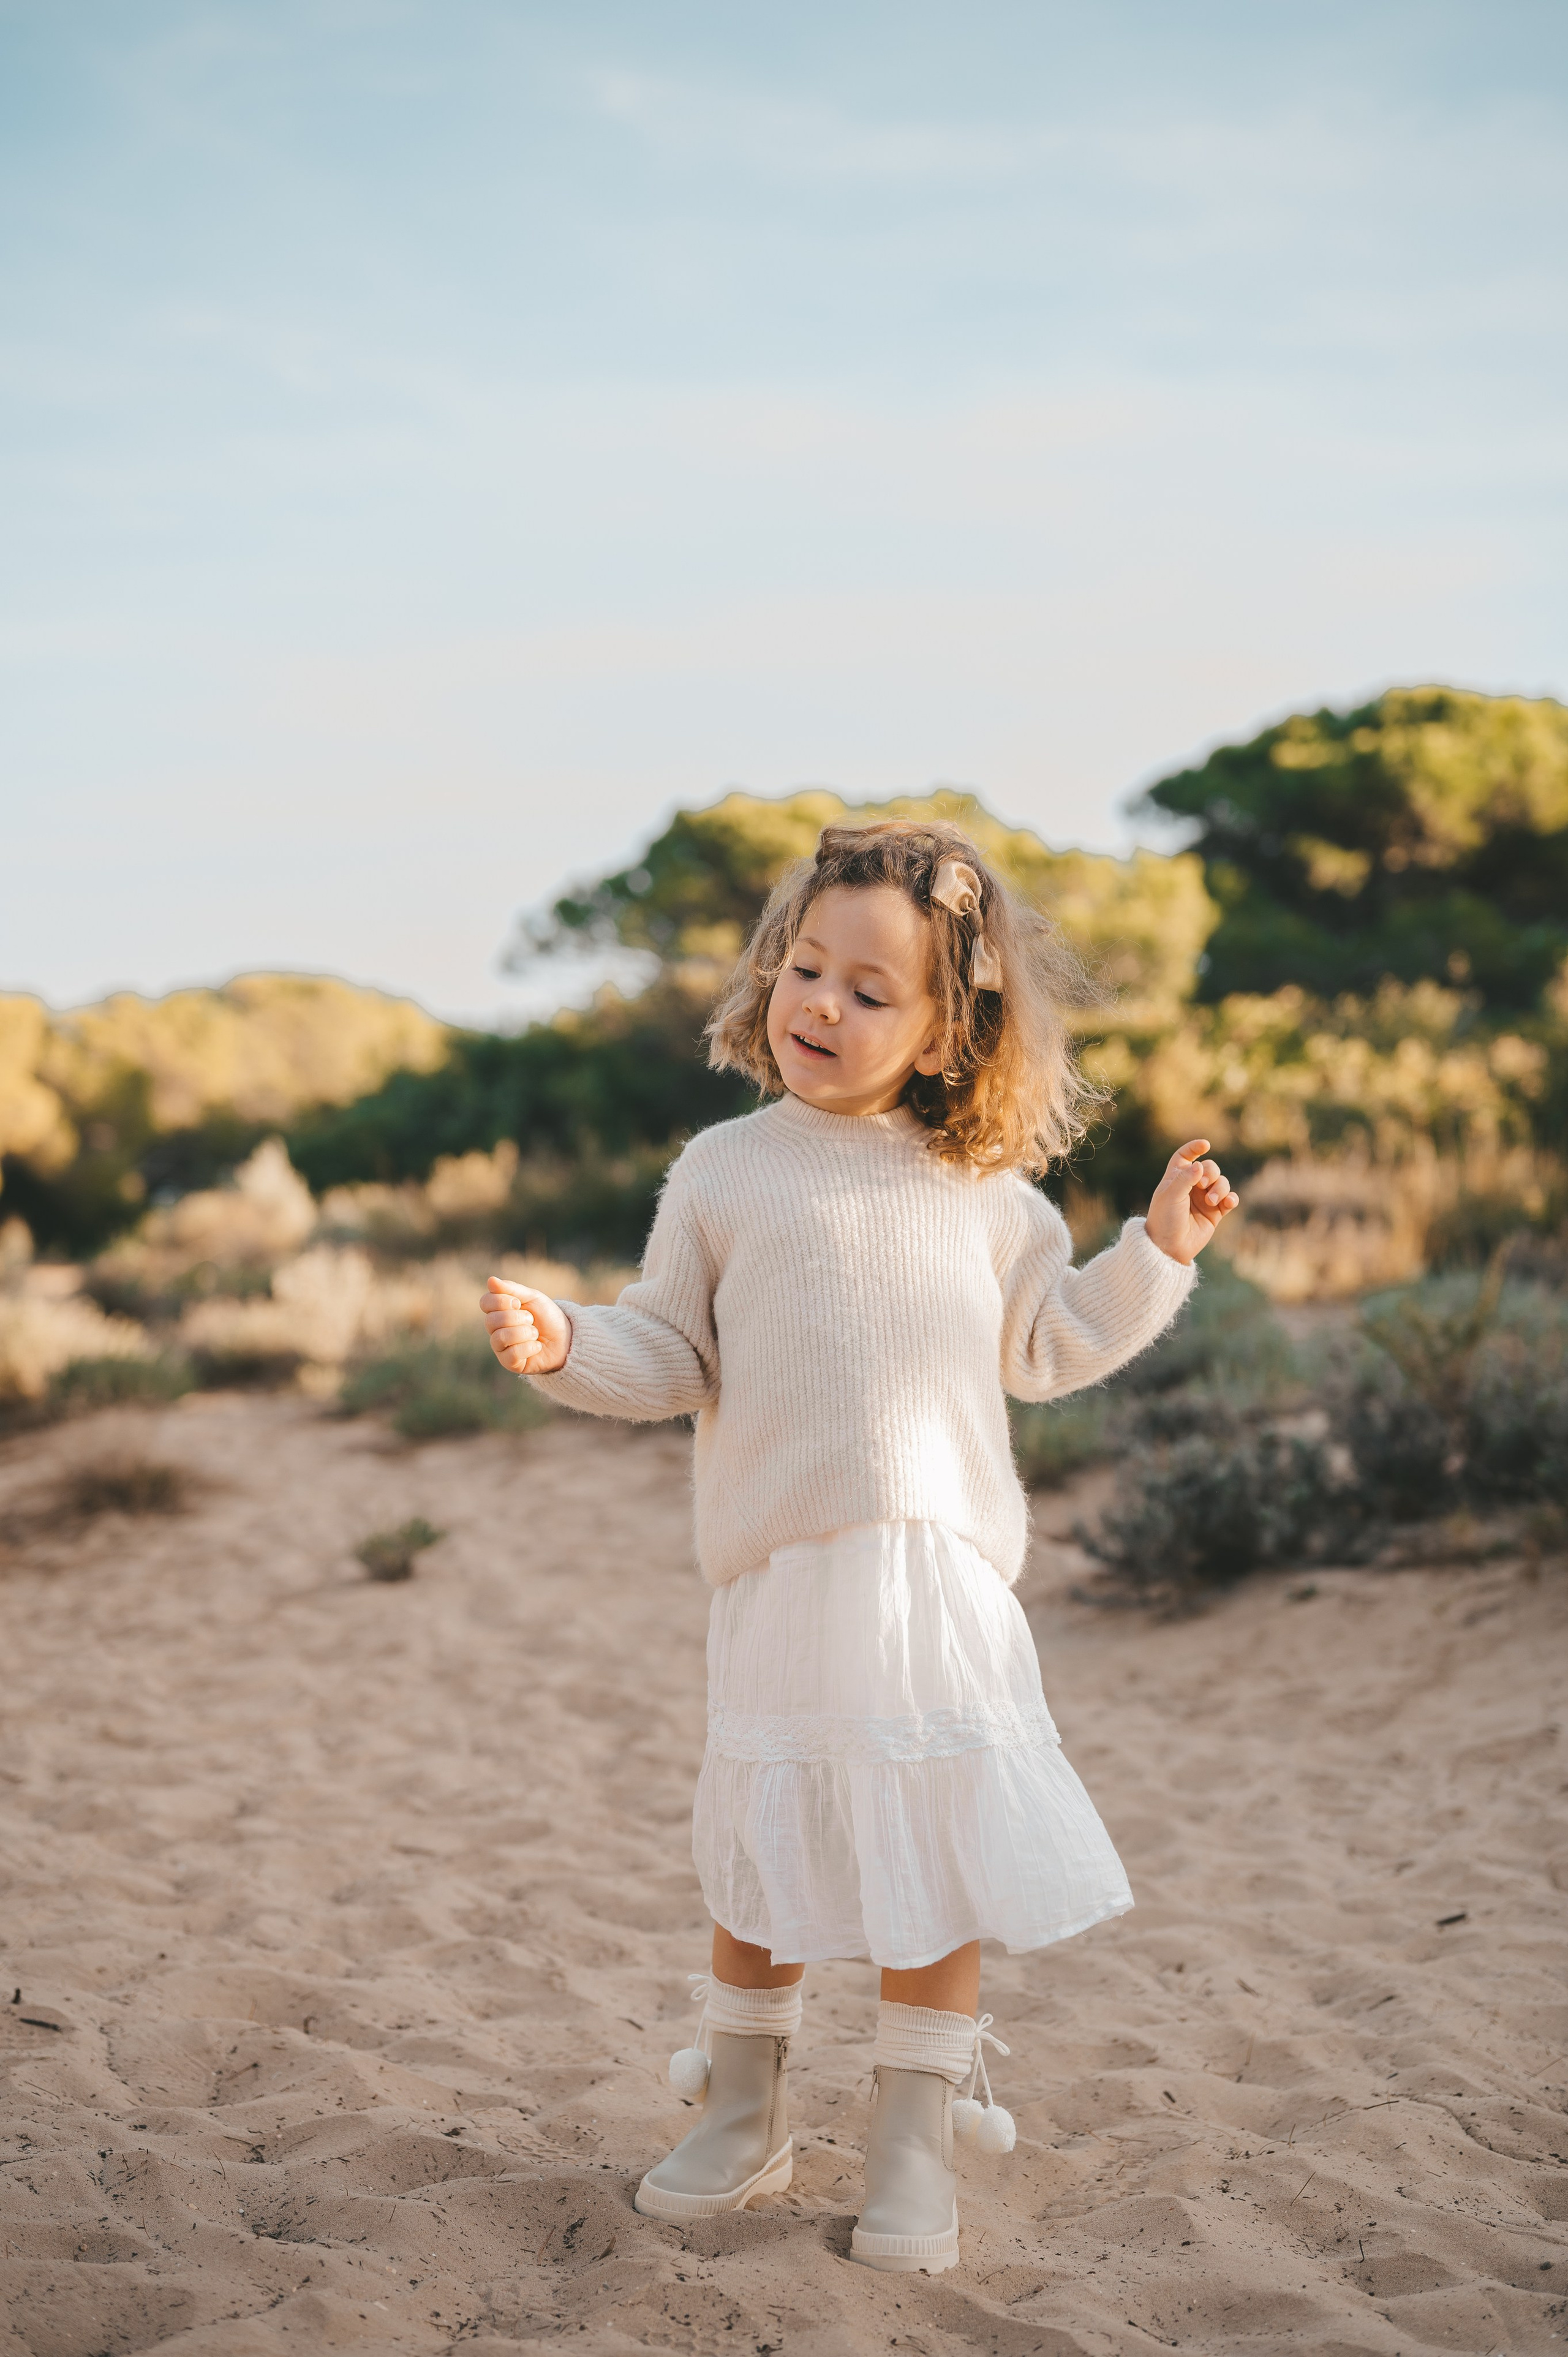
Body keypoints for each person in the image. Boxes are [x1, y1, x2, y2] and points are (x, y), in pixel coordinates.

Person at [481, 818, 1237, 2274]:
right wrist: (568, 1341)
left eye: (869, 989)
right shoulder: (723, 1169)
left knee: (927, 1847)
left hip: (936, 1577)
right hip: (780, 1568)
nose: (819, 1003)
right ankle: (746, 2104)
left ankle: (910, 2121)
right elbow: (667, 1350)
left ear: (955, 1025)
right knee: (763, 1841)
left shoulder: (991, 1200)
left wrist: (1154, 1252)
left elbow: (1052, 1342)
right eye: (803, 966)